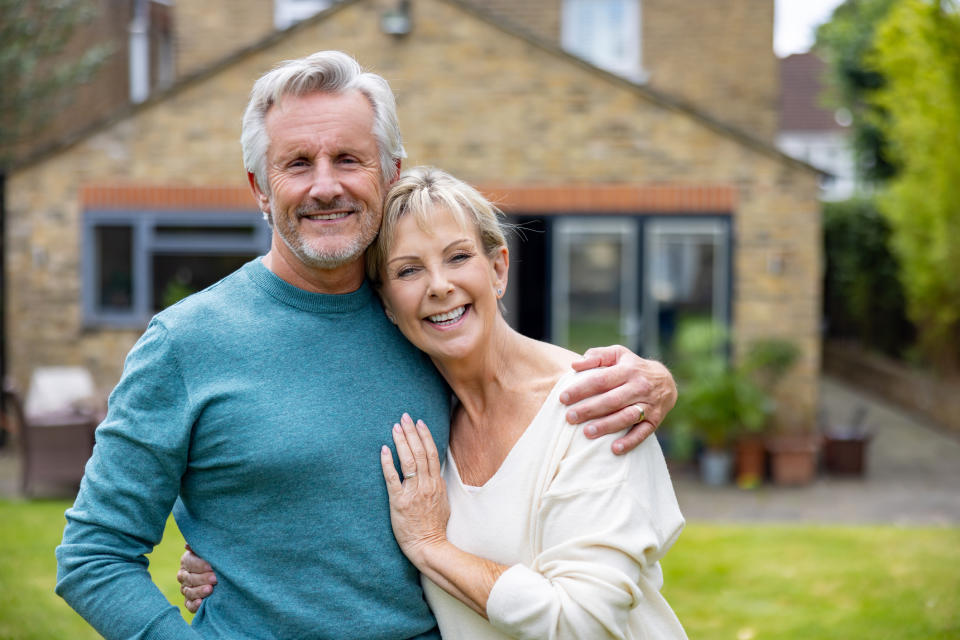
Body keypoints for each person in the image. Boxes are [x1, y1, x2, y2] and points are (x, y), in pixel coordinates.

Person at [57, 51, 676, 639]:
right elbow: (94, 556)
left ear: (391, 173)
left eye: (349, 159)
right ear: (259, 187)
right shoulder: (186, 344)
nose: (326, 186)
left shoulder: (423, 323)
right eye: (297, 163)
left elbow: (518, 386)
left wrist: (649, 378)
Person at [182, 166, 687, 638]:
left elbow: (584, 623)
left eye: (458, 257)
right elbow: (325, 516)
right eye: (408, 271)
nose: (440, 286)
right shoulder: (413, 411)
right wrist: (230, 556)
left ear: (498, 267)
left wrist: (432, 548)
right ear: (385, 302)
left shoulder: (599, 405)